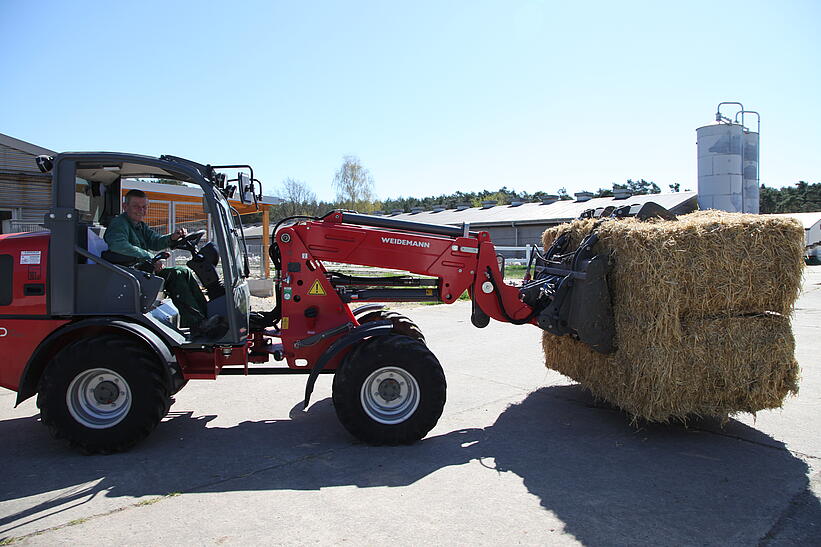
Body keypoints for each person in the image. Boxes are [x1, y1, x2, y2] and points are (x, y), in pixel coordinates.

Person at [104, 189, 209, 329]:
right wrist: (150, 258)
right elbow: (119, 246)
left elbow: (155, 241)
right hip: (130, 274)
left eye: (144, 207)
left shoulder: (140, 226)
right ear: (125, 206)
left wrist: (172, 238)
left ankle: (205, 316)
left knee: (185, 272)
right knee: (176, 275)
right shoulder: (119, 223)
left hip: (140, 271)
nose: (141, 210)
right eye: (136, 206)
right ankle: (196, 324)